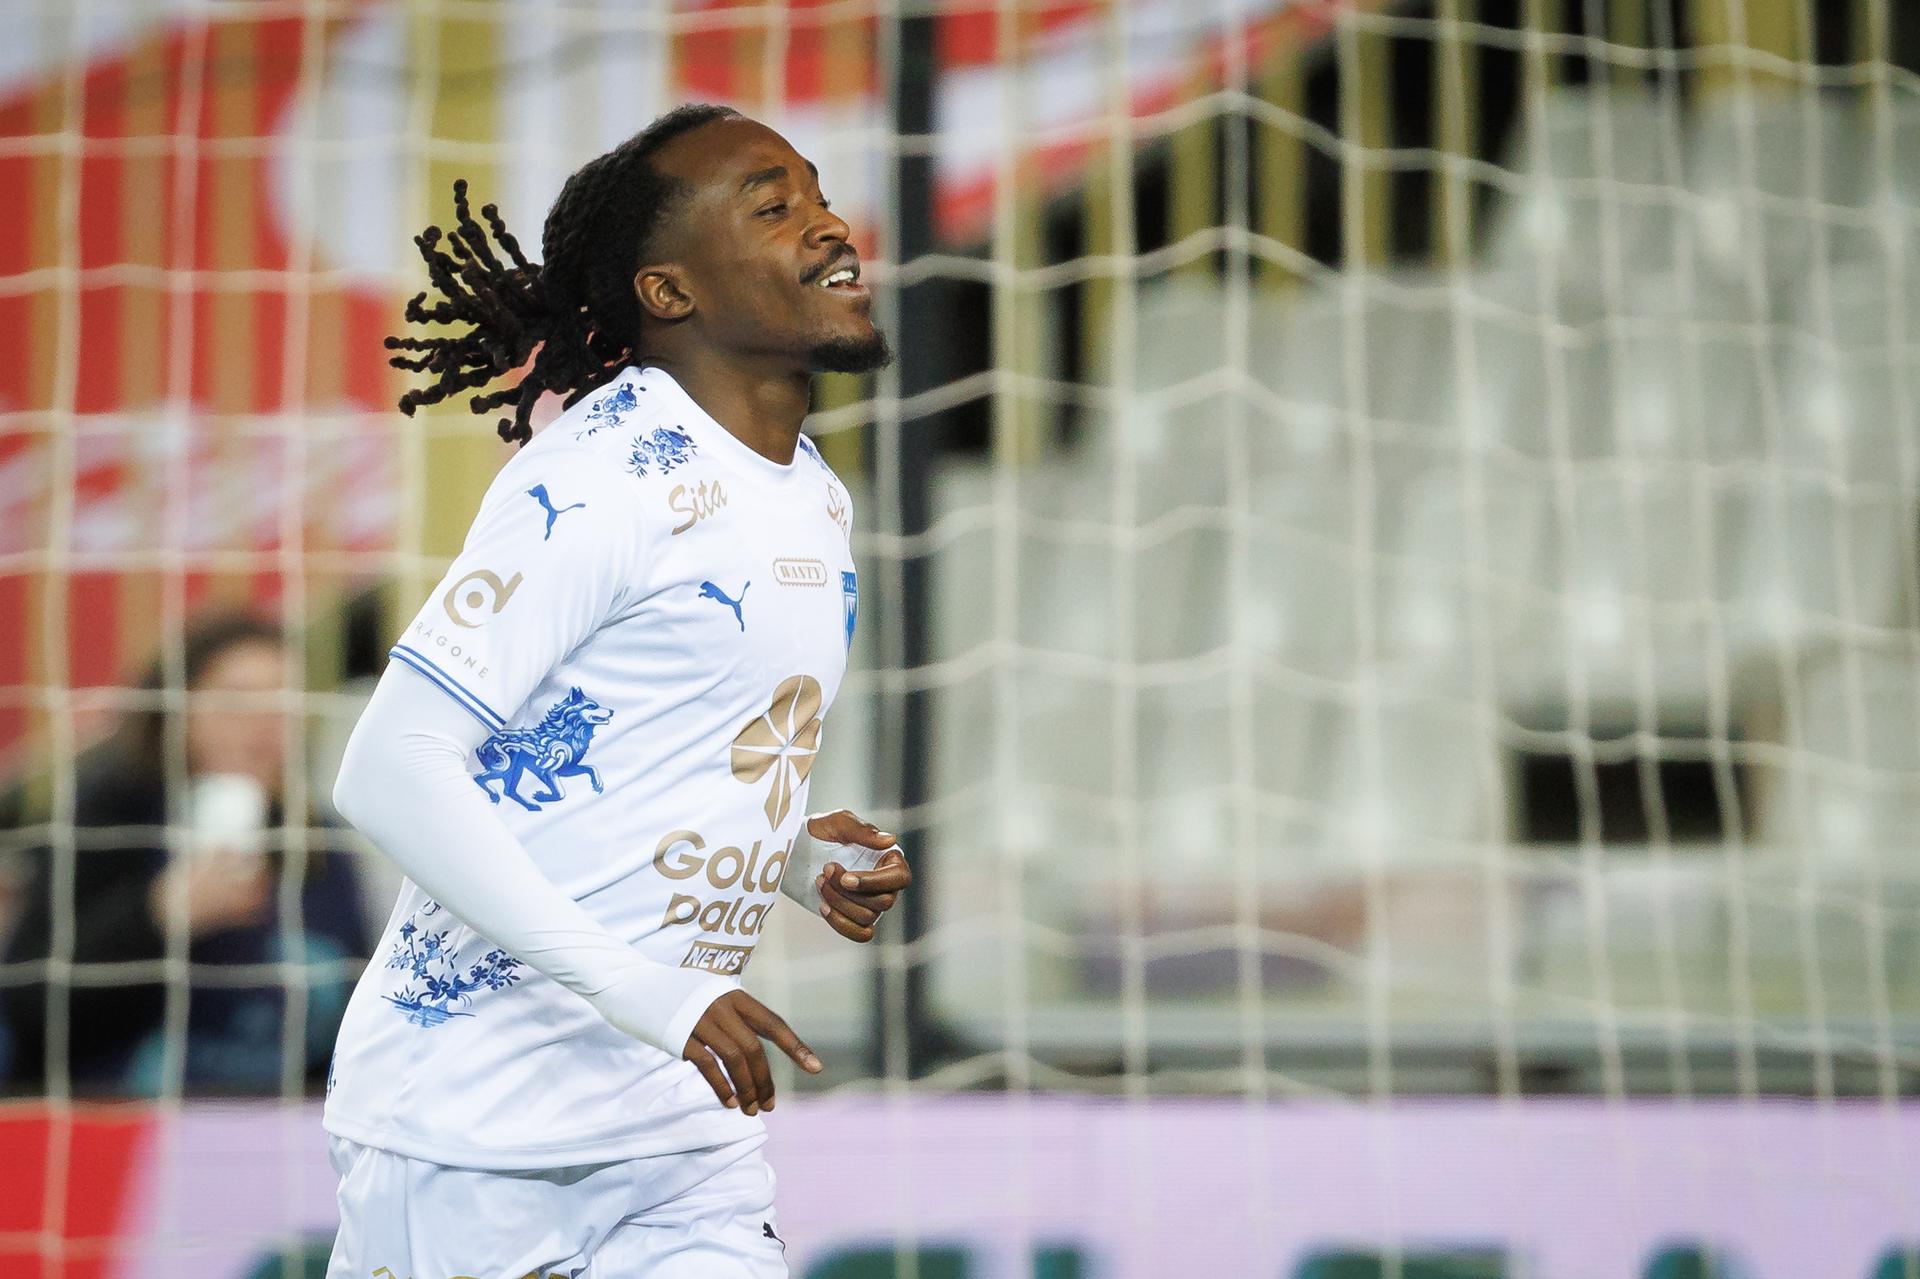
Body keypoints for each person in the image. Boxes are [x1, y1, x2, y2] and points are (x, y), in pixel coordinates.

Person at [323, 104, 913, 1277]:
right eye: (773, 204)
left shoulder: (814, 495)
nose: (829, 223)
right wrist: (649, 989)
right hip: (474, 1131)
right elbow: (389, 768)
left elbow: (633, 750)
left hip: (681, 1126)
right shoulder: (600, 480)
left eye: (817, 190)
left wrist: (788, 852)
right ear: (671, 290)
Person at [0, 612, 369, 1095]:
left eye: (284, 702)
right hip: (116, 1135)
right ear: (177, 709)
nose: (264, 722)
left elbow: (361, 1016)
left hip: (280, 1139)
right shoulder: (107, 822)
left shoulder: (319, 844)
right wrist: (159, 916)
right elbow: (28, 1012)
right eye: (237, 700)